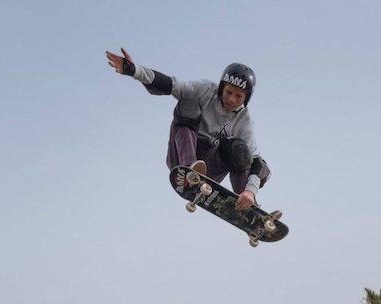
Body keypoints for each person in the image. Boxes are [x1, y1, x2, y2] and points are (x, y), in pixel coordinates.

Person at [105, 48, 270, 211]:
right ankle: (191, 170)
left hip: (211, 169)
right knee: (187, 106)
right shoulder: (204, 90)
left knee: (240, 149)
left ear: (246, 98)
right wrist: (133, 70)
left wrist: (250, 191)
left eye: (238, 96)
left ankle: (249, 207)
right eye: (228, 92)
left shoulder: (245, 122)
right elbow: (169, 84)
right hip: (181, 156)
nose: (231, 99)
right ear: (221, 87)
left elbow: (256, 162)